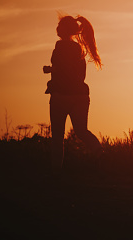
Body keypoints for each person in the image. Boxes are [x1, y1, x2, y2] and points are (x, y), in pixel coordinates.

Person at [43, 15, 103, 169]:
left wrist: (51, 69)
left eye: (59, 25)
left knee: (57, 137)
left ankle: (56, 172)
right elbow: (78, 75)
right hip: (80, 96)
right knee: (82, 131)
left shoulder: (60, 47)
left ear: (65, 29)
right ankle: (101, 155)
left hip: (61, 96)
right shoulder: (79, 49)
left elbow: (64, 70)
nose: (57, 28)